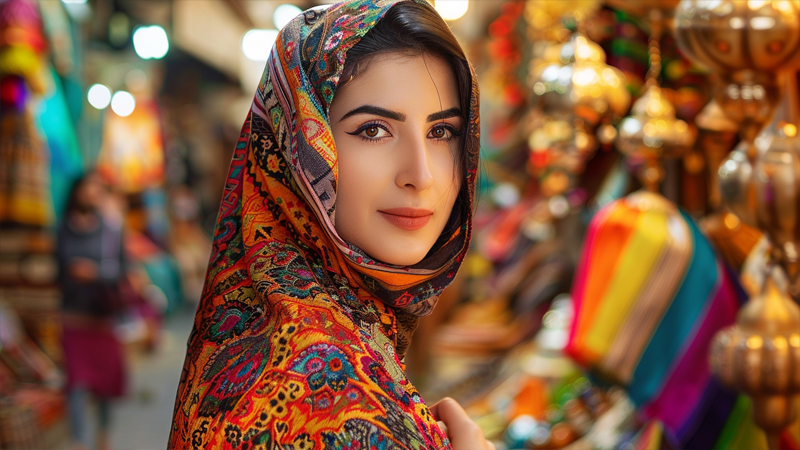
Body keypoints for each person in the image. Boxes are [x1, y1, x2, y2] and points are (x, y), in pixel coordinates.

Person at [169, 1, 492, 448]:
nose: (422, 175)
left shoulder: (281, 325)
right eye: (374, 130)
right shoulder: (325, 388)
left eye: (442, 133)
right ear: (298, 148)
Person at [56, 172, 127, 450]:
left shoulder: (110, 231)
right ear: (77, 191)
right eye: (90, 188)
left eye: (99, 189)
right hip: (73, 317)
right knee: (76, 382)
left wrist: (94, 273)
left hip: (103, 319)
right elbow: (59, 268)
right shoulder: (63, 229)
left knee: (105, 385)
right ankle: (78, 441)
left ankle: (103, 438)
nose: (94, 194)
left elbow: (122, 271)